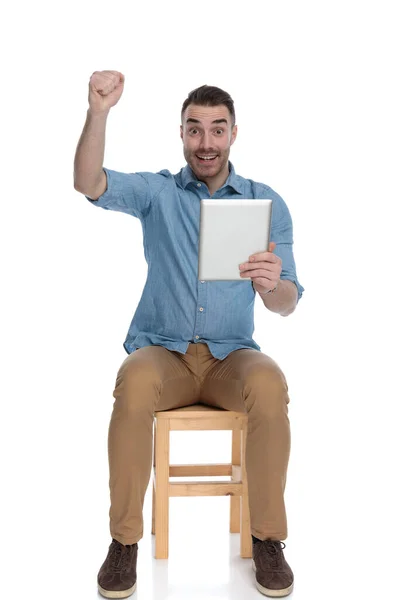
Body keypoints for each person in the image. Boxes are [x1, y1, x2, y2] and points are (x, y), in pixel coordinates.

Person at [73, 70, 305, 599]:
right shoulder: (158, 192)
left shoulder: (266, 205)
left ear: (233, 134)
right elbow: (88, 183)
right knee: (132, 381)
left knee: (270, 383)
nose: (206, 142)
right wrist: (99, 112)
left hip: (231, 360)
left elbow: (288, 301)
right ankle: (123, 542)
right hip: (164, 355)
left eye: (217, 130)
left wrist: (273, 287)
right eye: (195, 129)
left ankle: (268, 538)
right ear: (181, 134)